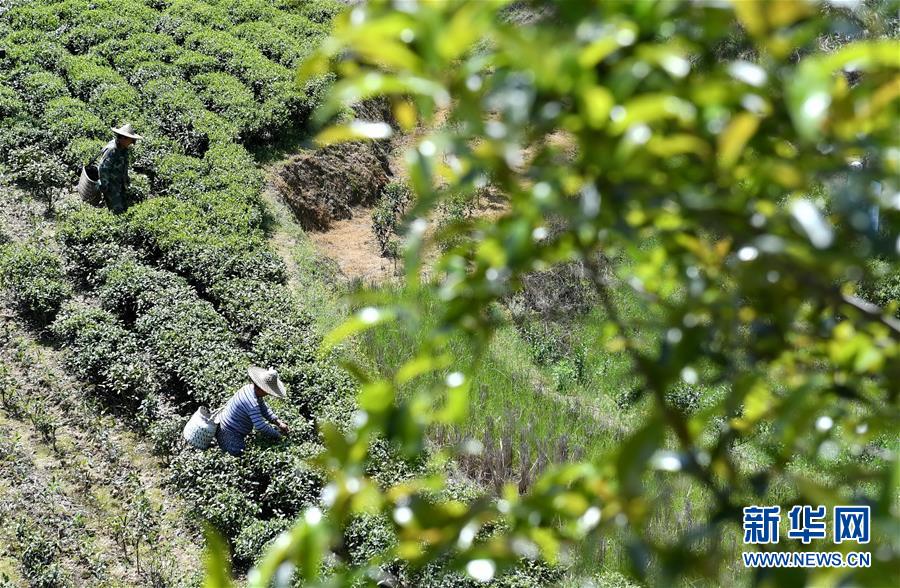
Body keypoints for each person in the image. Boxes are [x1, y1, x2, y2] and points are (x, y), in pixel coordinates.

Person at [216, 366, 291, 456]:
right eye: (268, 391)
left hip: (226, 424)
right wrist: (278, 435)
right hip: (228, 432)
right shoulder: (252, 402)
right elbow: (260, 426)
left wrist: (279, 423)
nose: (268, 394)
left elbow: (264, 409)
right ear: (262, 388)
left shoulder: (249, 388)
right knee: (239, 453)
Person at [98, 123, 142, 214]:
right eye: (131, 140)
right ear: (123, 138)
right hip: (111, 186)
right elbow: (103, 168)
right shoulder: (112, 150)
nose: (132, 142)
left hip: (120, 184)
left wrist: (126, 180)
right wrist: (105, 186)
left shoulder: (123, 149)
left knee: (124, 209)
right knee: (117, 211)